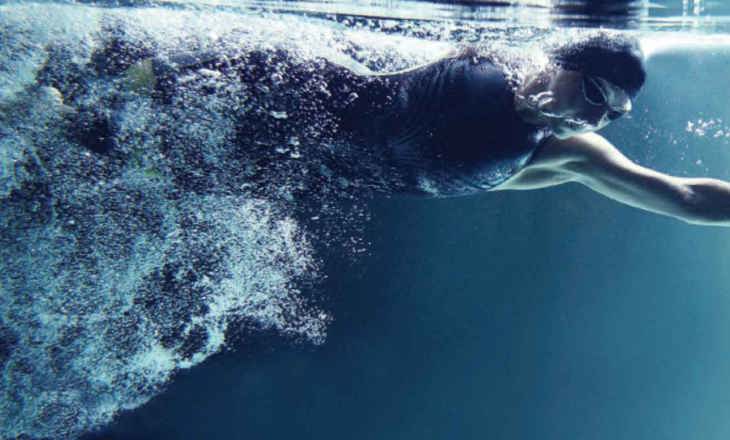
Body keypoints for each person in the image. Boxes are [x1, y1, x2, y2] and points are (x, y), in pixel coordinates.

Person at [44, 31, 730, 226]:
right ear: (563, 61)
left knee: (93, 161)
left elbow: (684, 197)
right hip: (262, 100)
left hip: (273, 172)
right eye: (599, 96)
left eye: (616, 114)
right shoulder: (468, 57)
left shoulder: (563, 155)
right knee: (98, 110)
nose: (597, 118)